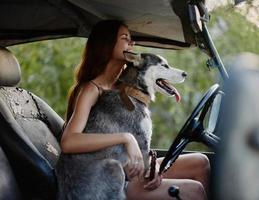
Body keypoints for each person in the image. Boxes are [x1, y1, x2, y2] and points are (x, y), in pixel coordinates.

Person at [60, 20, 210, 200]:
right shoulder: (91, 89)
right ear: (106, 44)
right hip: (104, 181)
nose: (132, 43)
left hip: (127, 169)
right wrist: (126, 138)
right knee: (195, 191)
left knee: (201, 163)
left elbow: (135, 141)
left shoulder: (122, 86)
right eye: (125, 38)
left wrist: (150, 165)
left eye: (131, 39)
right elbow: (69, 142)